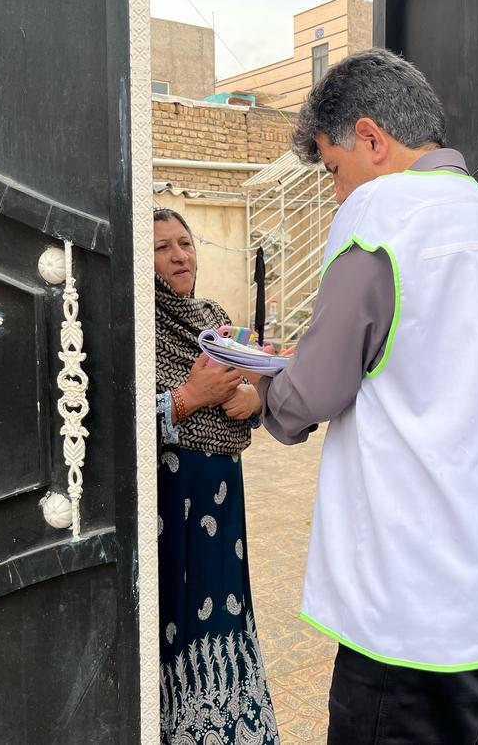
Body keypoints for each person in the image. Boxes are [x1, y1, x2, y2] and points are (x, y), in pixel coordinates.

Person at [241, 49, 478, 745]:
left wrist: (265, 388)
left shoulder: (383, 217)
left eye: (334, 170)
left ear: (371, 138)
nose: (337, 194)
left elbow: (311, 394)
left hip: (413, 615)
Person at [152, 208, 280, 745]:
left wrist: (252, 400)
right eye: (162, 248)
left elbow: (251, 387)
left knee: (225, 618)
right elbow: (120, 424)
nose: (180, 255)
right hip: (168, 513)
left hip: (223, 507)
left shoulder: (214, 321)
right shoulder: (136, 326)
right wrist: (187, 398)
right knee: (174, 624)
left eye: (185, 243)